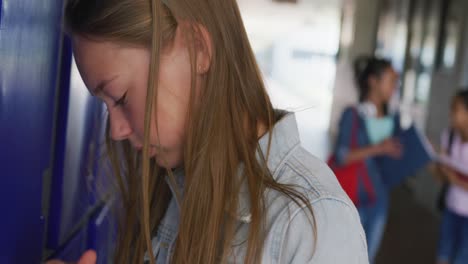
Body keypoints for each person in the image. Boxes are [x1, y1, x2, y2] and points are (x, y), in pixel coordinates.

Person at [48, 0, 368, 263]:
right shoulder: (166, 190)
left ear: (197, 49)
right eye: (106, 104)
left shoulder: (314, 226)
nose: (115, 129)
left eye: (120, 97)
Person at [333, 56, 402, 263]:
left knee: (367, 259)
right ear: (373, 81)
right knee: (345, 257)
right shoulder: (352, 115)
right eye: (391, 80)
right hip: (354, 199)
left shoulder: (393, 119)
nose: (394, 87)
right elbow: (342, 156)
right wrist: (379, 148)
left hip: (379, 199)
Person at [436, 90, 468, 264]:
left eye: (455, 109)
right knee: (443, 255)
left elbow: (450, 177)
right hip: (451, 208)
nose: (451, 114)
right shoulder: (448, 136)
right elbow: (440, 178)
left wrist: (453, 178)